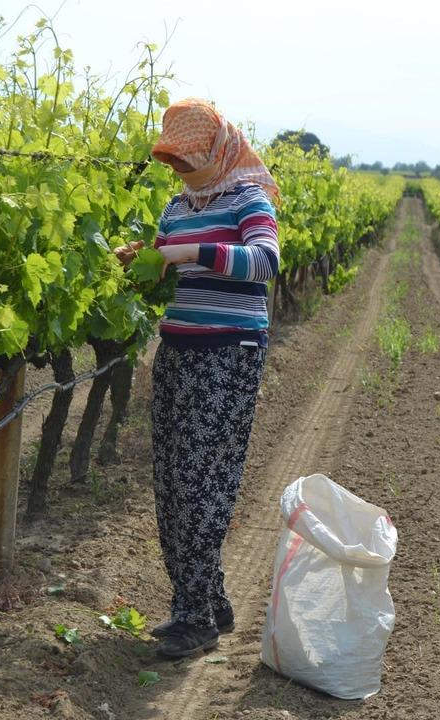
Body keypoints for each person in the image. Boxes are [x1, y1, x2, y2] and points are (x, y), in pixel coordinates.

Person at [115, 98, 280, 657]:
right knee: (172, 480)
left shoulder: (249, 199)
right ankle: (210, 600)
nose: (179, 169)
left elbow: (264, 261)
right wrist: (140, 259)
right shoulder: (176, 207)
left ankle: (195, 618)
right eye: (173, 160)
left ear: (216, 150)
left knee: (202, 481)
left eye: (187, 158)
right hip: (178, 349)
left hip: (229, 352)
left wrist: (193, 251)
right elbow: (164, 276)